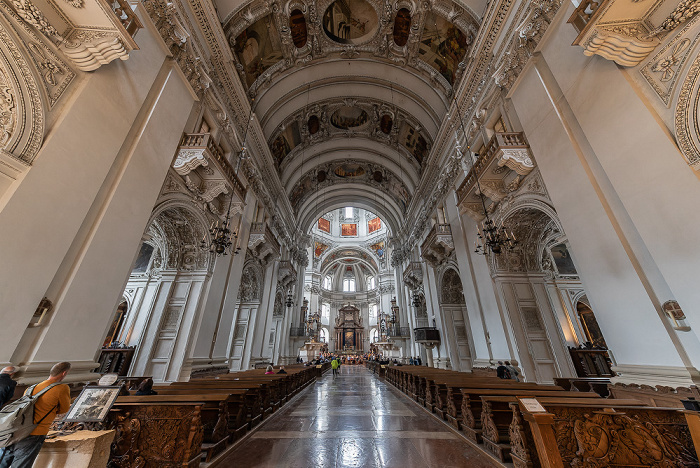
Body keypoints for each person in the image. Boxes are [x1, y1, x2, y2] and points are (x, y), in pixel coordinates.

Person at [0, 362, 71, 468]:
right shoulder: (62, 388)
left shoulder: (31, 388)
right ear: (64, 373)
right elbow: (64, 409)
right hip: (35, 432)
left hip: (14, 430)